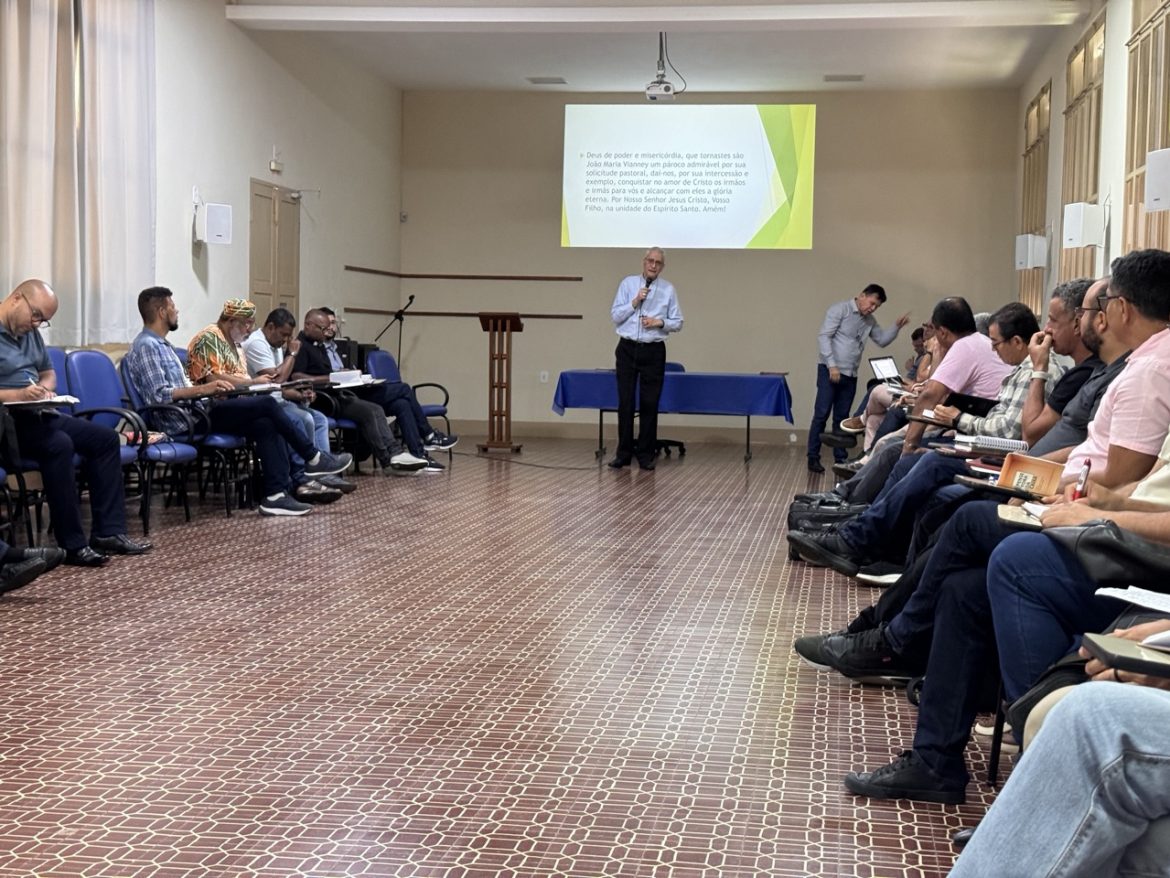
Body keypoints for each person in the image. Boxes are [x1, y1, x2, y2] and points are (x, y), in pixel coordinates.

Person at [125, 292, 353, 516]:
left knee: (266, 423)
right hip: (183, 420)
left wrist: (215, 391)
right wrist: (205, 389)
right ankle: (312, 457)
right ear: (162, 311)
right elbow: (159, 396)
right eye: (172, 306)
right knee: (267, 405)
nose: (177, 310)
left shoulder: (164, 345)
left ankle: (275, 496)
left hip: (200, 410)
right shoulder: (148, 346)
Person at [0, 280, 152, 566]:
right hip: (6, 423)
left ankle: (109, 532)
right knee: (59, 444)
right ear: (17, 298)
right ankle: (72, 545)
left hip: (38, 413)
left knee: (105, 439)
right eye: (36, 316)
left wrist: (45, 389)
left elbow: (48, 373)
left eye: (43, 321)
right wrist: (18, 394)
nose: (37, 324)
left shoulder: (29, 334)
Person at [242, 308, 354, 495]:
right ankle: (303, 478)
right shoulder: (256, 343)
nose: (286, 340)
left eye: (288, 336)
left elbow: (281, 386)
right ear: (270, 327)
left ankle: (323, 472)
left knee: (319, 419)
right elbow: (277, 379)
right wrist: (292, 354)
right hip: (263, 404)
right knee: (304, 419)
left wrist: (300, 394)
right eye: (283, 335)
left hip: (277, 399)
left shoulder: (276, 344)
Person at [807, 283, 908, 473]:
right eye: (871, 303)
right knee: (821, 414)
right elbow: (824, 337)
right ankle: (813, 457)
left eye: (876, 307)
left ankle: (840, 458)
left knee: (843, 417)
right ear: (861, 295)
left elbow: (882, 340)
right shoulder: (840, 310)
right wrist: (832, 365)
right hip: (830, 370)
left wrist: (896, 327)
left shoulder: (869, 321)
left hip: (850, 374)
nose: (872, 308)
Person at [608, 247, 684, 471]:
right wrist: (634, 302)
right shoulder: (628, 284)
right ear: (643, 262)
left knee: (650, 404)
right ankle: (623, 453)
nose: (653, 265)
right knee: (626, 403)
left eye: (658, 263)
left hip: (653, 350)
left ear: (662, 267)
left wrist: (659, 322)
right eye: (650, 261)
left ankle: (645, 455)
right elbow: (615, 316)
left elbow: (678, 321)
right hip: (627, 348)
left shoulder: (668, 289)